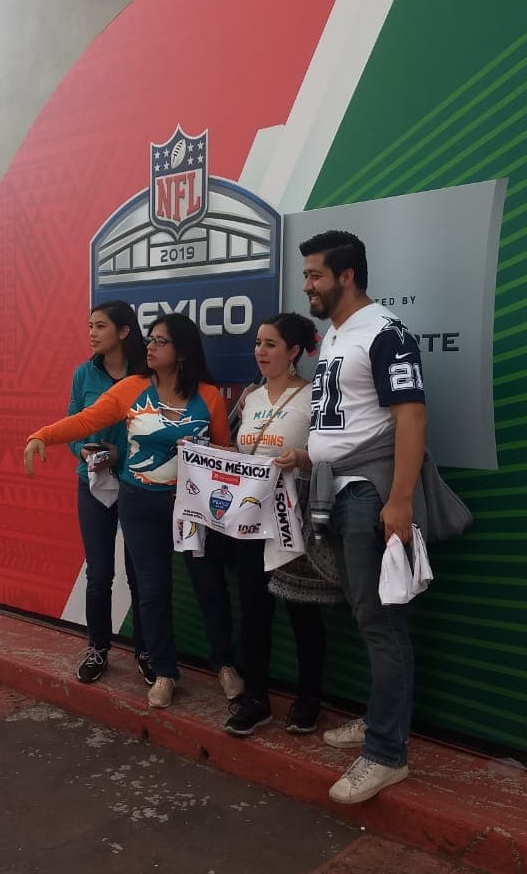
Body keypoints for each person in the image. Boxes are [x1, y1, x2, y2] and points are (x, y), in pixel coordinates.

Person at [25, 313, 231, 709]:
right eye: (149, 339)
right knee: (152, 592)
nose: (149, 346)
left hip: (194, 508)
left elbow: (223, 454)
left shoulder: (209, 396)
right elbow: (86, 420)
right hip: (140, 503)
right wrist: (43, 436)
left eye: (160, 341)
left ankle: (225, 665)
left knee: (210, 587)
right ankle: (165, 671)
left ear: (182, 352)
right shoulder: (133, 388)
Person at [299, 230, 427, 805]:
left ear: (346, 276)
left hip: (368, 496)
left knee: (382, 623)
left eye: (315, 276)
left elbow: (411, 417)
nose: (308, 286)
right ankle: (382, 720)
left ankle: (385, 753)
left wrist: (398, 501)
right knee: (366, 617)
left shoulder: (385, 331)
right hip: (338, 493)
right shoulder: (335, 335)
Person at [207, 312, 332, 738]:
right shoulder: (250, 397)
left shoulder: (315, 396)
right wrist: (205, 452)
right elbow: (237, 451)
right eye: (258, 343)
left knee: (302, 613)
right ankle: (256, 699)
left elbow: (334, 453)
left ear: (294, 351)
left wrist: (301, 459)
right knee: (253, 611)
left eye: (271, 344)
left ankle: (309, 699)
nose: (260, 351)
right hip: (251, 520)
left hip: (294, 520)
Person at [58, 303, 153, 685]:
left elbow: (159, 433)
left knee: (140, 574)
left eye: (101, 326)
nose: (92, 333)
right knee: (99, 573)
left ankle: (146, 649)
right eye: (89, 326)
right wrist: (80, 447)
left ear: (125, 331)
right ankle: (97, 647)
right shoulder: (85, 373)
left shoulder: (148, 376)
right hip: (92, 482)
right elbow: (72, 425)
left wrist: (122, 455)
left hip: (138, 484)